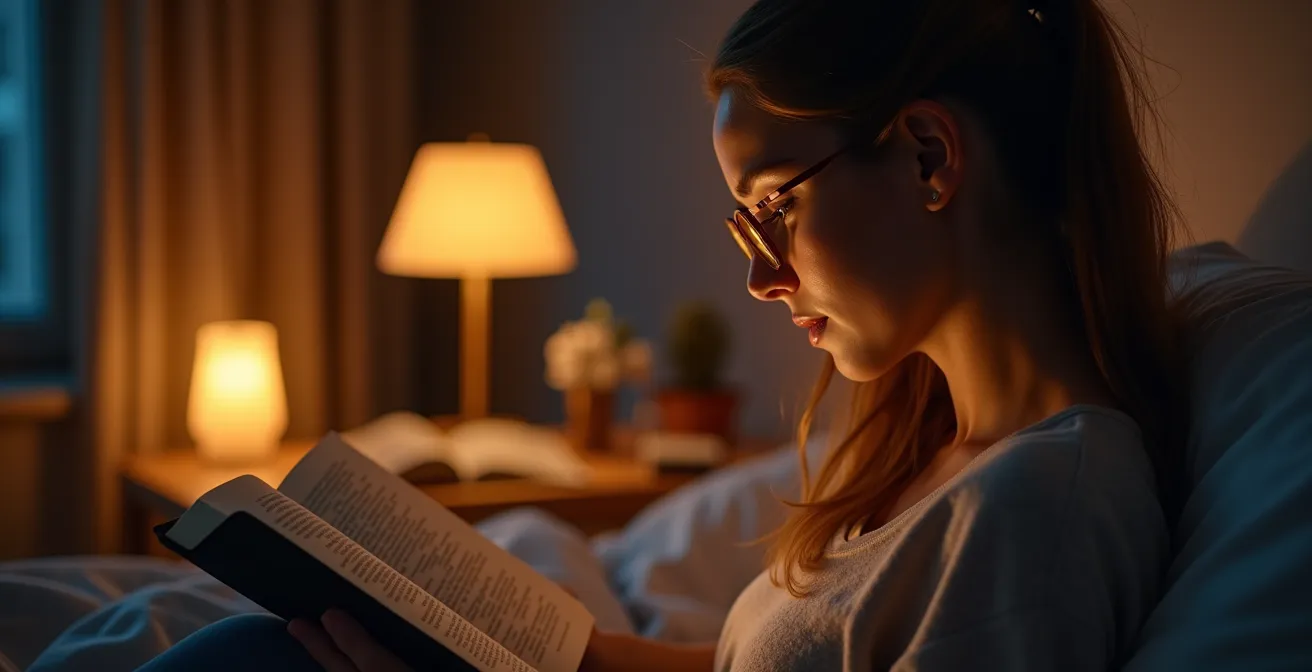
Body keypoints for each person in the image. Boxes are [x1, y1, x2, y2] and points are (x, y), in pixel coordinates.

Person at [140, 0, 1186, 669]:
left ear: (925, 157)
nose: (757, 275)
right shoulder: (929, 450)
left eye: (774, 204)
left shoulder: (1038, 508)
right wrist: (575, 656)